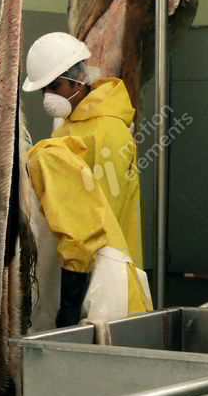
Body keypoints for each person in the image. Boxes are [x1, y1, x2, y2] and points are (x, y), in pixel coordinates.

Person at [22, 32, 145, 326]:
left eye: (55, 86)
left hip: (107, 271)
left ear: (79, 80)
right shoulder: (68, 125)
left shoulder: (108, 132)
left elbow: (96, 221)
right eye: (44, 90)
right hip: (72, 265)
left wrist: (72, 300)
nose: (49, 97)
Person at [28, 136, 152, 326]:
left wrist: (70, 307)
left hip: (105, 292)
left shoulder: (46, 159)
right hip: (92, 286)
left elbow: (81, 234)